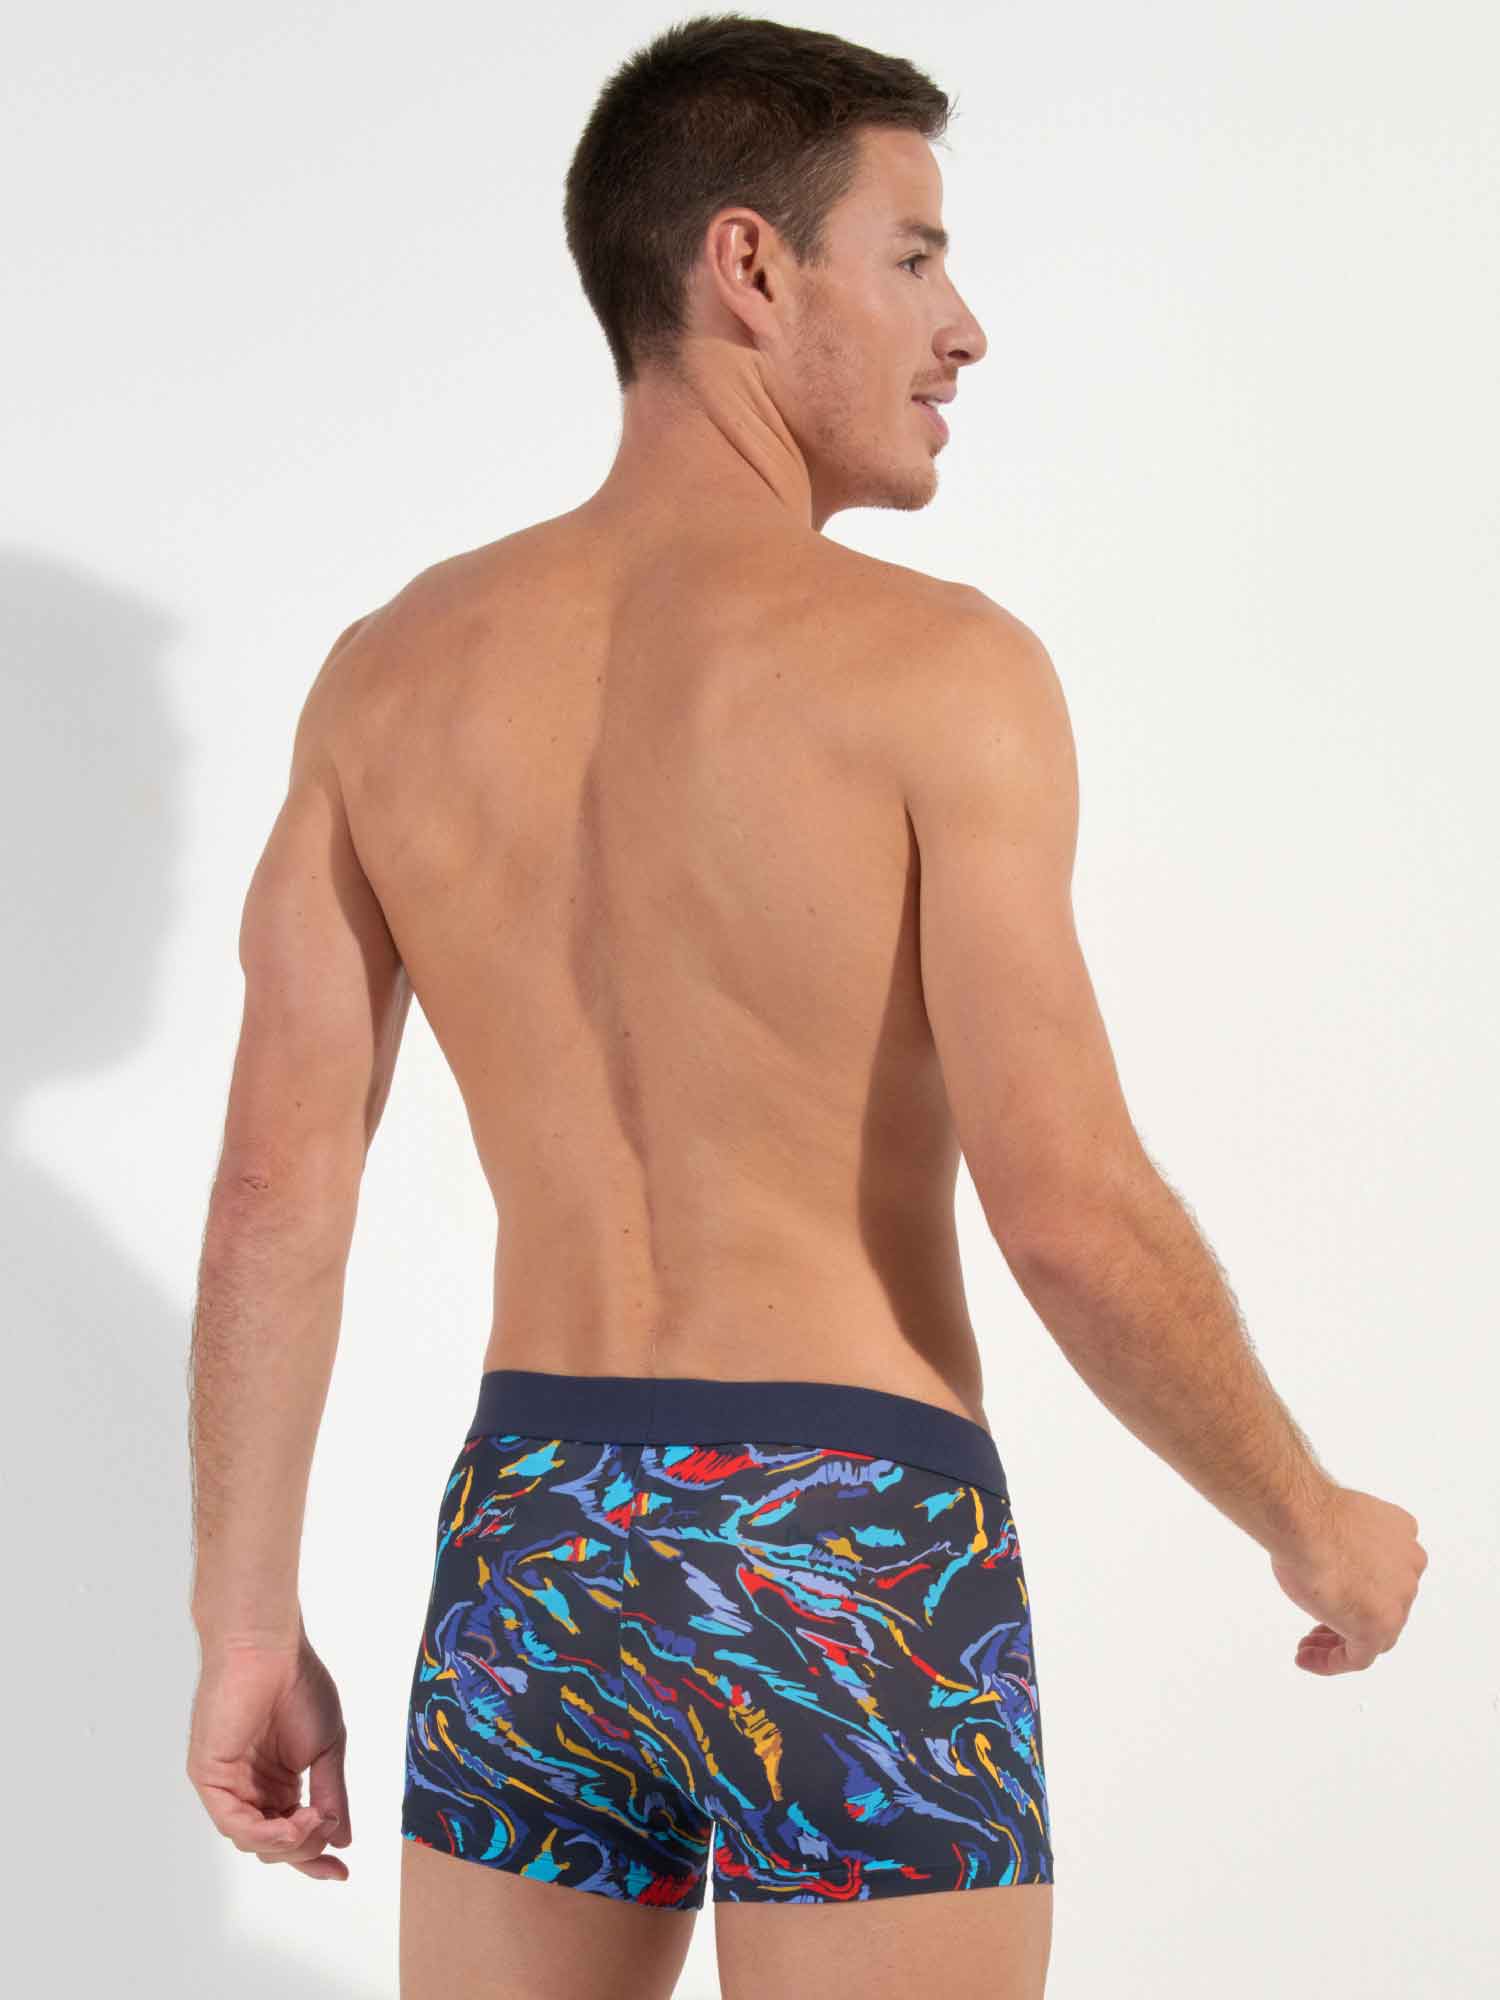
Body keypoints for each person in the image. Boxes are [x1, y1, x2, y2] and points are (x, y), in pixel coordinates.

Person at [183, 15, 1427, 1999]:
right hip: (852, 1546)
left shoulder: (387, 674)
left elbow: (274, 1194)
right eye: (915, 255)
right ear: (750, 268)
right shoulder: (940, 671)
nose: (965, 329)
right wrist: (1311, 1516)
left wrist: (244, 1627)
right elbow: (1068, 1209)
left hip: (536, 1543)